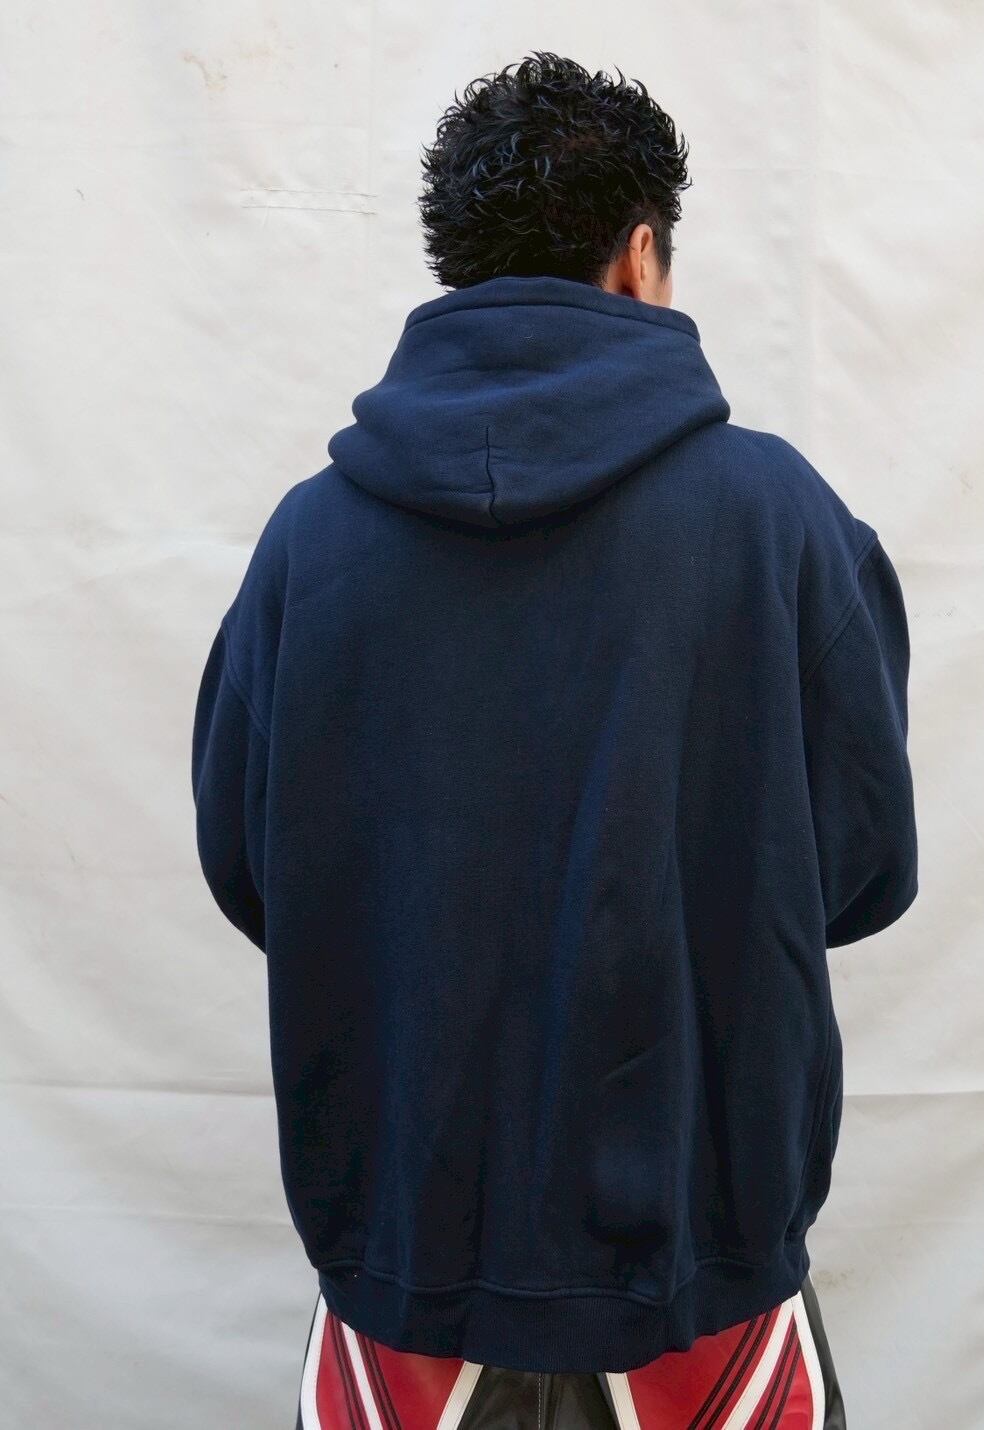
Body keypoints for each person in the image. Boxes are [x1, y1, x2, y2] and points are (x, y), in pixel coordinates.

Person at [192, 50, 917, 1428]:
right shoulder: (778, 520)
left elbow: (249, 866)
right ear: (641, 255)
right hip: (702, 1286)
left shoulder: (311, 543)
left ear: (456, 263)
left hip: (405, 1279)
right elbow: (865, 868)